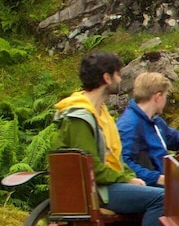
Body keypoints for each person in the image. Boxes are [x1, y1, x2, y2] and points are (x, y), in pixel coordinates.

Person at [53, 52, 164, 226]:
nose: (120, 79)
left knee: (157, 191)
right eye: (118, 74)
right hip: (96, 190)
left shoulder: (101, 112)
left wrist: (130, 176)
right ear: (106, 78)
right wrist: (126, 180)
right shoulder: (80, 118)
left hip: (106, 184)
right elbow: (91, 167)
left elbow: (115, 157)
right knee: (162, 198)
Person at [117, 72, 179, 186]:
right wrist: (157, 178)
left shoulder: (155, 120)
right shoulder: (129, 124)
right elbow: (123, 163)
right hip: (150, 190)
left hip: (165, 185)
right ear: (158, 97)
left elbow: (172, 137)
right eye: (165, 96)